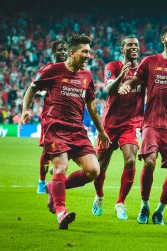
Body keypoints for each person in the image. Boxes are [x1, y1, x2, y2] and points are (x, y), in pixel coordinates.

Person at [19, 35, 110, 230]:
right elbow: (32, 88)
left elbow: (91, 106)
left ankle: (53, 187)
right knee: (60, 167)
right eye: (84, 51)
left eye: (89, 51)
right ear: (71, 52)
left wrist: (101, 131)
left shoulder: (87, 76)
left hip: (77, 129)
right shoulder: (53, 70)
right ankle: (61, 212)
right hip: (55, 127)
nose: (88, 55)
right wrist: (26, 109)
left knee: (93, 170)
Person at [119, 25, 167, 225]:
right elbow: (136, 81)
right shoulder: (150, 62)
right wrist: (125, 86)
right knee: (149, 162)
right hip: (152, 123)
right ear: (163, 39)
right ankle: (144, 206)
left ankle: (159, 210)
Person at [91, 35, 144, 220]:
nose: (134, 47)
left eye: (136, 45)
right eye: (129, 45)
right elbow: (109, 89)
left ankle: (120, 202)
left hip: (132, 122)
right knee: (99, 167)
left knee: (130, 161)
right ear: (122, 49)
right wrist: (121, 77)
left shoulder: (143, 70)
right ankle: (99, 196)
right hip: (110, 124)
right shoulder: (112, 66)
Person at [37, 40, 68, 194]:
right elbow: (35, 87)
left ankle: (54, 171)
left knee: (70, 150)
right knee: (47, 151)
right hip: (50, 117)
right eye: (60, 50)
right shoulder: (49, 69)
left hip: (69, 118)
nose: (63, 52)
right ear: (53, 52)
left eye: (65, 50)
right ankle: (42, 181)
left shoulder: (72, 68)